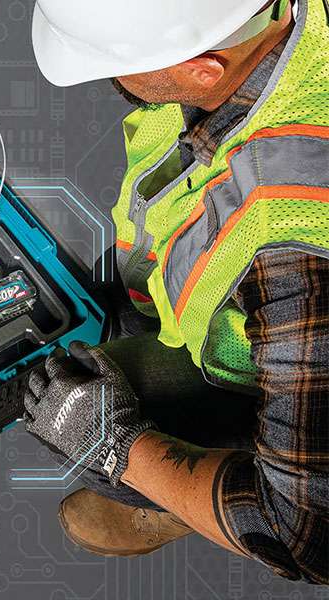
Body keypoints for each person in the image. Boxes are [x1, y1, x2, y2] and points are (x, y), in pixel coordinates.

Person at [23, 0, 328, 584]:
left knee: (77, 396)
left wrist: (114, 446)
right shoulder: (268, 32)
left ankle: (197, 491)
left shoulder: (295, 247)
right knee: (95, 314)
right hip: (213, 284)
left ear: (203, 68)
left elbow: (309, 537)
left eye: (119, 64)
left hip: (288, 367)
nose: (110, 78)